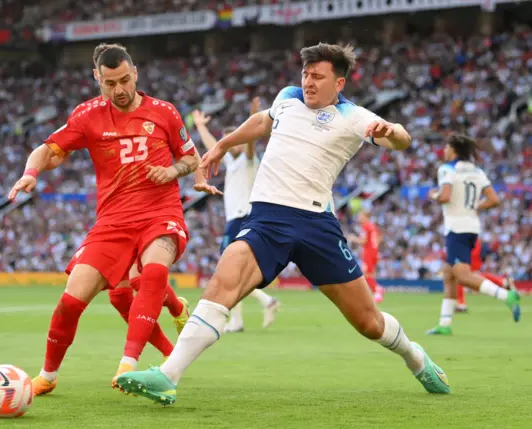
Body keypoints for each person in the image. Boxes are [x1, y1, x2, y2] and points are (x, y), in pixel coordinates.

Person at [116, 43, 451, 405]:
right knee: (221, 284)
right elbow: (263, 121)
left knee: (368, 322)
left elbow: (401, 139)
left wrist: (393, 130)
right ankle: (168, 376)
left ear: (338, 83)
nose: (308, 81)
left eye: (318, 76)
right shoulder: (288, 98)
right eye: (306, 74)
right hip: (267, 219)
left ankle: (415, 358)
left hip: (316, 225)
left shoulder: (352, 116)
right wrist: (223, 144)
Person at [8, 44, 206, 397]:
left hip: (160, 213)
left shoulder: (165, 113)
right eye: (110, 83)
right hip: (113, 222)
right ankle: (48, 376)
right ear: (97, 79)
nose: (119, 89)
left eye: (125, 80)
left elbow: (191, 159)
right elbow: (49, 149)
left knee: (154, 272)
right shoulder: (87, 116)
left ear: (136, 73)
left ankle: (128, 365)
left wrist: (171, 169)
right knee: (71, 301)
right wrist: (31, 172)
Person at [192, 98, 281, 333]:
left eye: (234, 140)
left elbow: (251, 141)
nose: (232, 145)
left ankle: (260, 305)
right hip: (237, 218)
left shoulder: (249, 159)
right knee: (232, 271)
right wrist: (201, 126)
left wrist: (254, 115)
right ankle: (243, 318)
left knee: (228, 269)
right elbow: (214, 146)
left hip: (243, 217)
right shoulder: (232, 163)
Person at [426, 133, 521, 335]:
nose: (444, 151)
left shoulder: (446, 170)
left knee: (463, 275)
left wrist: (433, 195)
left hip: (456, 228)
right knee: (449, 274)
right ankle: (445, 323)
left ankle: (506, 295)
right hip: (471, 227)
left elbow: (444, 196)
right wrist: (476, 207)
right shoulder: (477, 171)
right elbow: (494, 199)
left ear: (454, 150)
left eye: (447, 147)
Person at [454, 237, 514, 313]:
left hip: (467, 241)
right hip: (470, 241)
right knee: (468, 275)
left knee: (462, 274)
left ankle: (461, 304)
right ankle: (503, 282)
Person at [348, 209, 383, 303]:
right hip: (374, 251)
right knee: (368, 273)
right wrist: (375, 246)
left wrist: (353, 238)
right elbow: (380, 237)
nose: (359, 218)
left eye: (360, 216)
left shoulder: (366, 226)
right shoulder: (373, 226)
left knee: (366, 273)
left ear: (365, 217)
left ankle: (377, 290)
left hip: (368, 252)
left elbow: (363, 241)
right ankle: (373, 291)